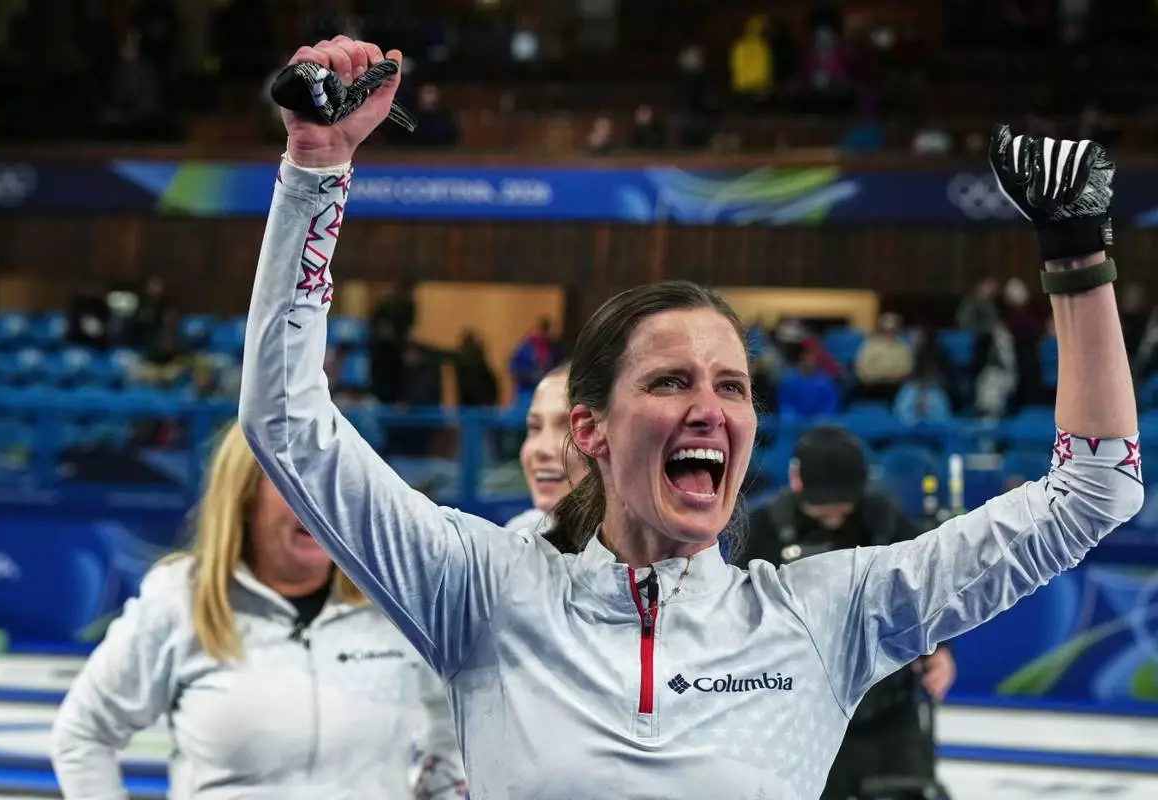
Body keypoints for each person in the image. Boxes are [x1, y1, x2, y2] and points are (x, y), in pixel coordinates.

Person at [240, 35, 1141, 799]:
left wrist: (1077, 258)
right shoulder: (483, 593)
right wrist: (316, 169)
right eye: (671, 381)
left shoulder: (826, 617)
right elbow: (284, 419)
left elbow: (1092, 492)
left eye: (734, 386)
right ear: (590, 430)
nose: (709, 407)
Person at [50, 422, 466, 799]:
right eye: (293, 477)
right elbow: (83, 736)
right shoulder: (180, 598)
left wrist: (440, 788)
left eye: (333, 477)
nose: (318, 499)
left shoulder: (397, 601)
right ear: (245, 496)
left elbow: (457, 716)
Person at [731, 426, 956, 800]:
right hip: (800, 716)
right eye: (824, 503)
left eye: (843, 502)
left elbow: (923, 589)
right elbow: (739, 614)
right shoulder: (764, 529)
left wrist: (941, 650)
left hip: (886, 708)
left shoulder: (885, 520)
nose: (833, 513)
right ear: (796, 480)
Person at [503, 363, 587, 535]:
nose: (541, 449)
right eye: (534, 427)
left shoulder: (649, 553)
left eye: (568, 428)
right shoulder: (520, 536)